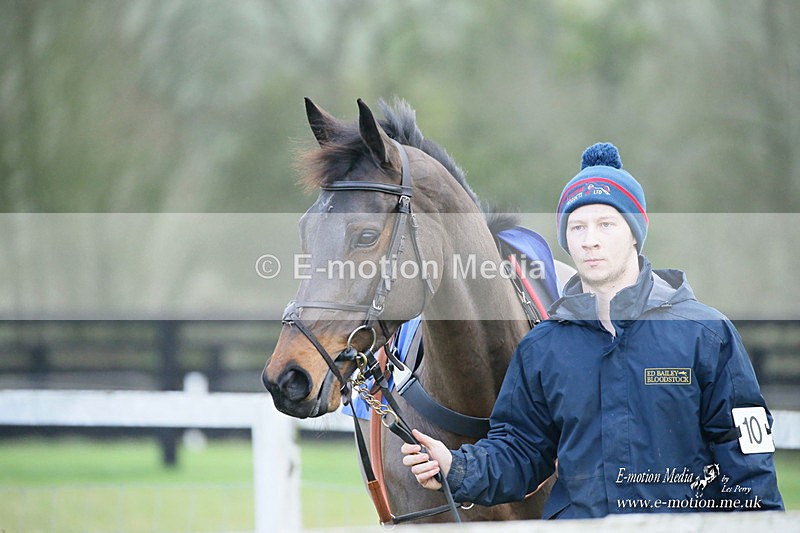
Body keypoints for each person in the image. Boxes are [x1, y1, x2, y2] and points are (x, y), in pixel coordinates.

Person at [401, 142, 784, 518]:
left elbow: (747, 454)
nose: (590, 240)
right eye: (577, 226)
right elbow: (520, 451)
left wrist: (765, 523)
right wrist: (455, 467)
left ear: (634, 232)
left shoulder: (707, 335)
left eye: (606, 224)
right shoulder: (542, 349)